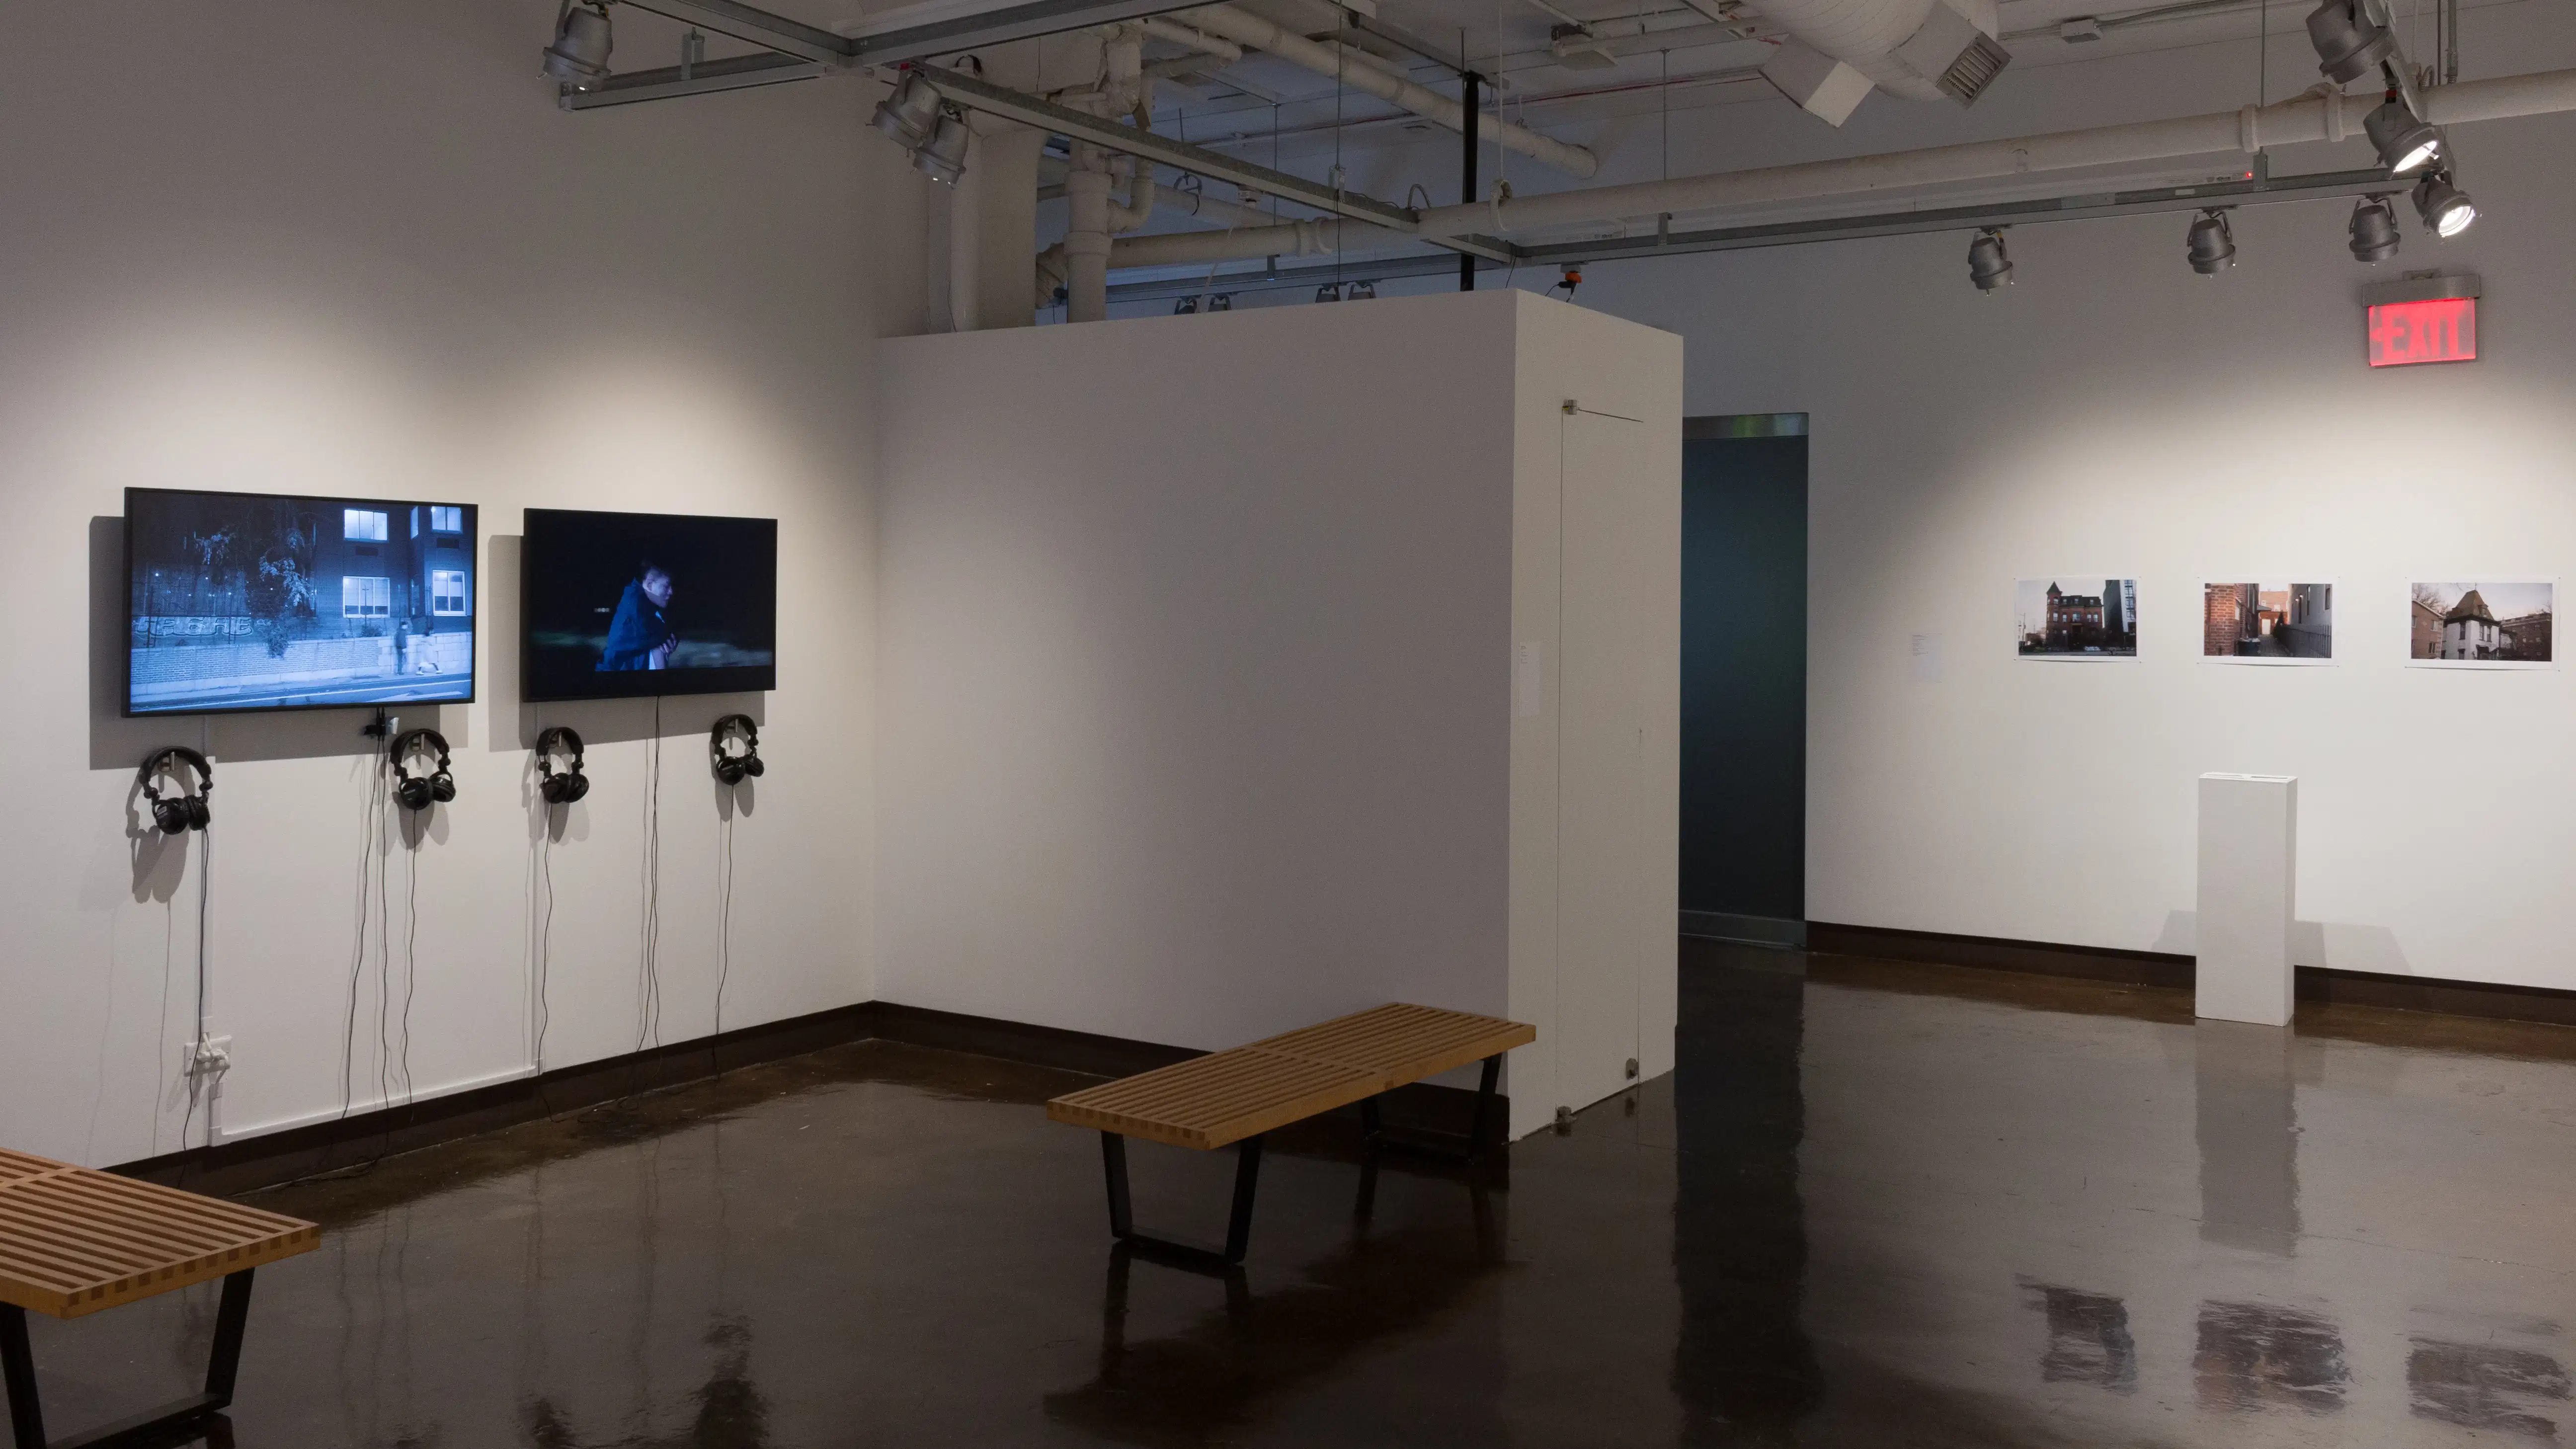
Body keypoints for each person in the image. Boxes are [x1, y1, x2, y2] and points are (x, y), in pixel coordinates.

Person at [598, 562, 677, 671]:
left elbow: (667, 636)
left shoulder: (644, 602)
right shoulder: (636, 604)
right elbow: (662, 638)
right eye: (666, 586)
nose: (671, 592)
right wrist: (670, 638)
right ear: (649, 585)